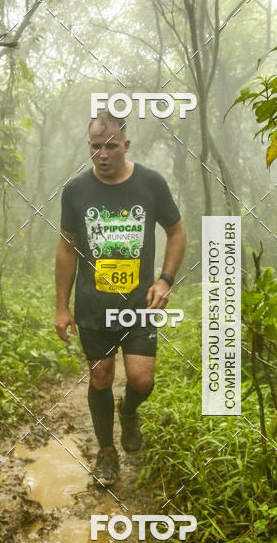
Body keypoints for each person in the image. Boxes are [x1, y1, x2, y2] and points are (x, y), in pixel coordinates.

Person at [54, 111, 186, 486]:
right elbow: (67, 249)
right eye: (95, 147)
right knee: (100, 377)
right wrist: (62, 307)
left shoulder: (151, 183)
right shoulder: (76, 190)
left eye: (110, 145)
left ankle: (129, 412)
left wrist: (165, 280)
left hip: (139, 305)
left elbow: (177, 232)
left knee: (142, 380)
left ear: (126, 145)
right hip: (93, 304)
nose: (103, 154)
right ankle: (106, 453)